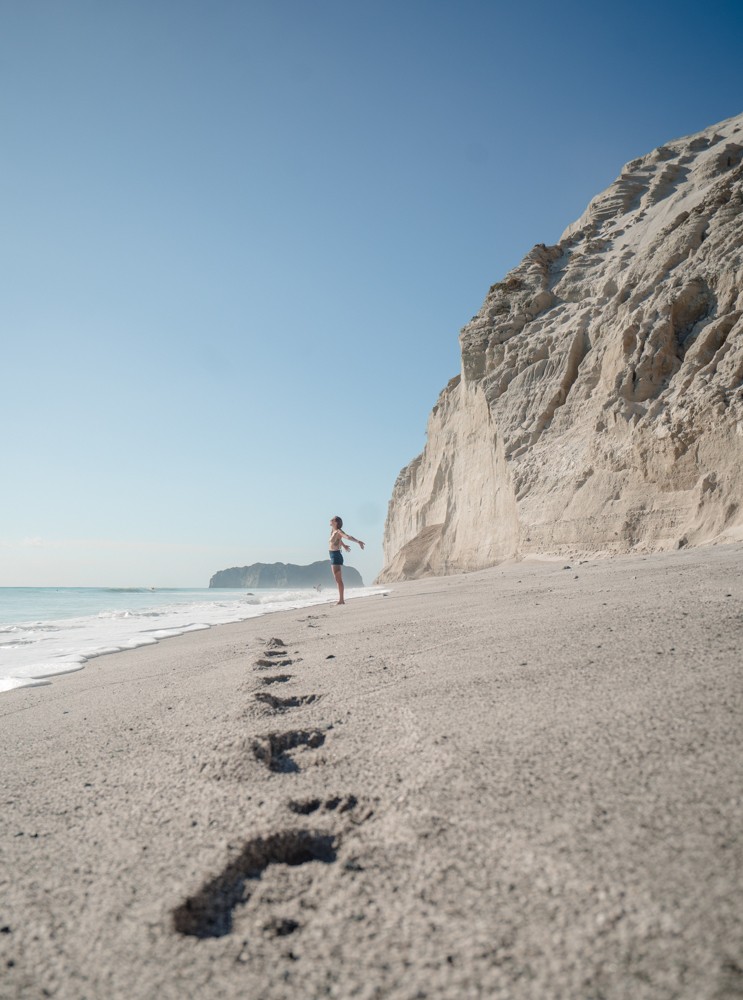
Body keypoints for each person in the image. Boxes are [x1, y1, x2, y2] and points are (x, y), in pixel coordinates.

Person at [328, 516, 365, 605]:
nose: (330, 520)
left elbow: (347, 537)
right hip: (333, 555)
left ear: (336, 522)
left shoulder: (338, 531)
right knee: (337, 579)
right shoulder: (333, 531)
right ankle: (341, 599)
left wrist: (358, 541)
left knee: (338, 579)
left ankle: (341, 600)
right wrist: (344, 546)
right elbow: (337, 540)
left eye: (332, 520)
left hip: (336, 556)